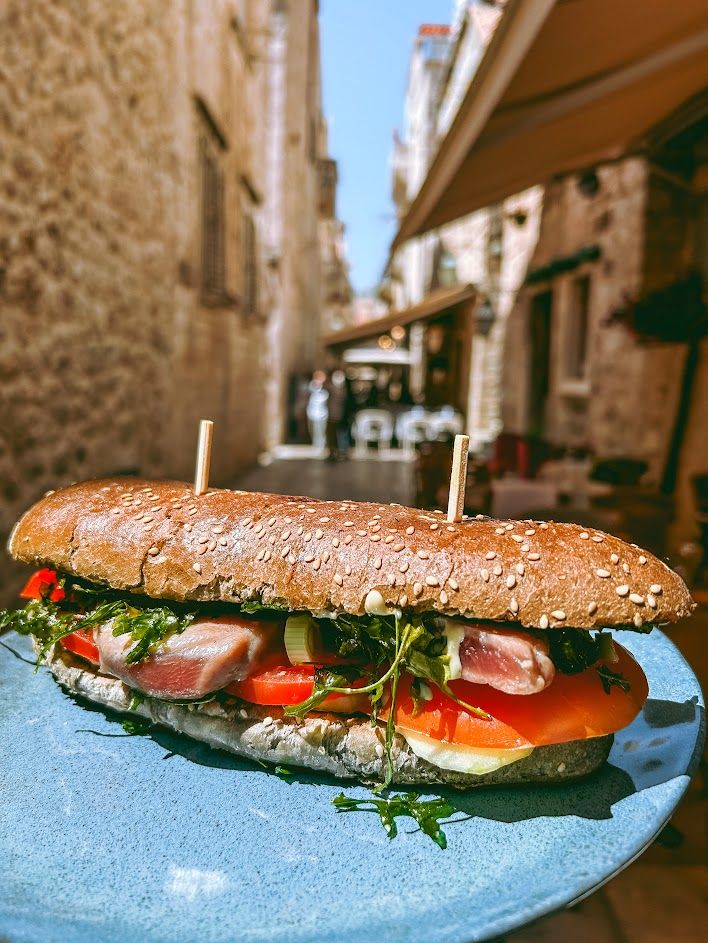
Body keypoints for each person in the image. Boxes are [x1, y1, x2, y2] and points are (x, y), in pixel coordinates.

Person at [306, 370, 329, 451]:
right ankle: (316, 445)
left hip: (322, 413)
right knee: (313, 430)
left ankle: (320, 446)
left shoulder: (326, 388)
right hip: (312, 412)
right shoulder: (312, 386)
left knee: (321, 430)